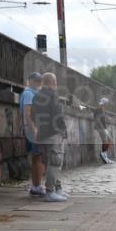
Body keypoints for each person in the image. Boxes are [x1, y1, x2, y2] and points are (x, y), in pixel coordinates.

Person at [30, 73, 67, 202]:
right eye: (55, 82)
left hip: (42, 134)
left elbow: (33, 116)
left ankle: (57, 189)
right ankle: (50, 191)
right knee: (55, 162)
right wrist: (64, 130)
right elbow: (57, 114)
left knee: (48, 162)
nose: (56, 85)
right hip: (53, 133)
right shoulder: (52, 95)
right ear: (53, 82)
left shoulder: (36, 96)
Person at [19, 72, 45, 196]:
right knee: (39, 158)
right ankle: (37, 186)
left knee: (36, 158)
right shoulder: (29, 94)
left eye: (40, 81)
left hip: (33, 129)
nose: (39, 84)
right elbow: (27, 114)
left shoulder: (29, 93)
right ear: (31, 81)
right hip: (34, 130)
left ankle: (36, 186)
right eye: (38, 81)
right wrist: (34, 130)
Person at [93, 98, 113, 164]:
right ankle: (104, 155)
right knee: (105, 141)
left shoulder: (101, 109)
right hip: (101, 128)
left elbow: (101, 118)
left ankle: (105, 155)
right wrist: (102, 128)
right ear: (104, 103)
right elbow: (98, 119)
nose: (107, 104)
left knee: (109, 140)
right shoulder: (99, 109)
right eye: (107, 103)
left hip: (103, 127)